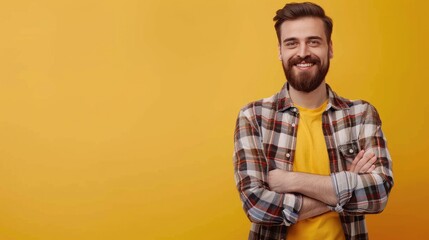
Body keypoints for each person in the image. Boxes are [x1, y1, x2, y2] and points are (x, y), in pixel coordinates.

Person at [232, 2, 394, 240]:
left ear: (330, 48)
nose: (303, 52)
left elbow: (378, 194)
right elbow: (257, 206)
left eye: (314, 41)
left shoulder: (361, 114)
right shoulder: (254, 117)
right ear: (280, 51)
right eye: (292, 43)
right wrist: (345, 188)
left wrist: (290, 180)